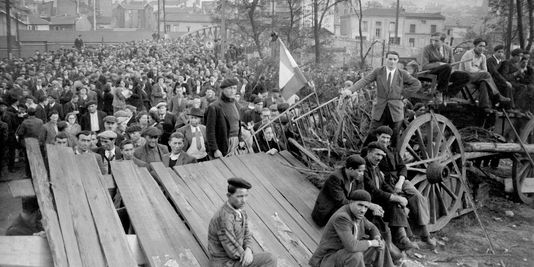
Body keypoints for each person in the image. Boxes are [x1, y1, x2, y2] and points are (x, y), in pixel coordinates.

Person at [374, 126, 436, 248]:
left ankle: (425, 236)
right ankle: (403, 238)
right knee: (397, 202)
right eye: (383, 137)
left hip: (399, 180)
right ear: (377, 137)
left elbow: (402, 167)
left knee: (418, 197)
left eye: (388, 138)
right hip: (385, 183)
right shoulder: (372, 150)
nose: (385, 141)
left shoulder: (393, 150)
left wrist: (401, 181)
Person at [343, 51, 421, 147]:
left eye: (394, 59)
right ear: (386, 59)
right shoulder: (378, 71)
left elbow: (417, 84)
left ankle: (392, 158)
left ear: (397, 61)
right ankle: (365, 154)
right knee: (373, 133)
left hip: (396, 110)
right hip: (380, 108)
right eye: (390, 59)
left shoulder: (402, 74)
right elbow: (365, 80)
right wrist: (351, 90)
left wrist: (403, 94)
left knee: (395, 136)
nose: (392, 61)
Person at [309, 190, 394, 267]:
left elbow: (372, 227)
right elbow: (352, 247)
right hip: (328, 259)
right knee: (356, 255)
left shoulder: (357, 214)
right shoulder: (342, 217)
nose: (363, 210)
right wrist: (371, 242)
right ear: (351, 202)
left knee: (381, 245)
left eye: (366, 207)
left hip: (344, 255)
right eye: (360, 205)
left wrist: (377, 238)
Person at [208, 177, 277, 267]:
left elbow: (247, 234)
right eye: (240, 196)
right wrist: (247, 255)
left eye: (246, 196)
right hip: (225, 263)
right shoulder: (224, 218)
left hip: (237, 257)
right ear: (229, 196)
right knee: (270, 259)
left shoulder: (240, 210)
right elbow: (232, 250)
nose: (244, 200)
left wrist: (248, 249)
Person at [364, 142, 418, 251]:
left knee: (396, 203)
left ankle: (402, 238)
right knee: (395, 202)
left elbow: (383, 184)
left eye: (382, 156)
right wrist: (396, 198)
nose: (380, 158)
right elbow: (373, 190)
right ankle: (398, 241)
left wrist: (396, 196)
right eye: (377, 154)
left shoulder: (375, 167)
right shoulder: (363, 167)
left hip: (377, 200)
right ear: (369, 153)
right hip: (367, 203)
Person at [311, 154, 384, 227]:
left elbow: (361, 196)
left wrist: (373, 206)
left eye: (363, 171)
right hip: (327, 212)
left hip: (342, 209)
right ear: (351, 169)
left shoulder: (358, 177)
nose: (362, 174)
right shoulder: (335, 178)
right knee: (359, 210)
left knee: (367, 210)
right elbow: (342, 202)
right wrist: (369, 205)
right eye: (360, 171)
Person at [459, 38, 511, 112]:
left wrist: (480, 72)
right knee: (486, 75)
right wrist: (480, 71)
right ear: (475, 46)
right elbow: (468, 69)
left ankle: (484, 105)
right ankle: (498, 96)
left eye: (484, 46)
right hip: (465, 76)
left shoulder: (483, 56)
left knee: (484, 82)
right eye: (480, 46)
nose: (482, 48)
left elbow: (485, 70)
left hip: (477, 77)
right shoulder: (468, 54)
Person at [421, 32, 471, 97]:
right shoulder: (427, 49)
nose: (433, 43)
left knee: (466, 76)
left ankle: (448, 93)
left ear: (443, 41)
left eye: (436, 41)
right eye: (432, 40)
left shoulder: (448, 49)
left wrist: (451, 68)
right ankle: (440, 91)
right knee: (447, 67)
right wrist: (439, 64)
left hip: (446, 73)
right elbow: (424, 66)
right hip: (432, 72)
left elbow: (452, 63)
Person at [206, 78, 245, 158]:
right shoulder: (214, 106)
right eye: (229, 88)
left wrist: (240, 139)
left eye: (234, 88)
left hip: (236, 143)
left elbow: (238, 124)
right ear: (223, 89)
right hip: (222, 144)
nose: (232, 91)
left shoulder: (236, 105)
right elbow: (210, 132)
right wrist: (215, 149)